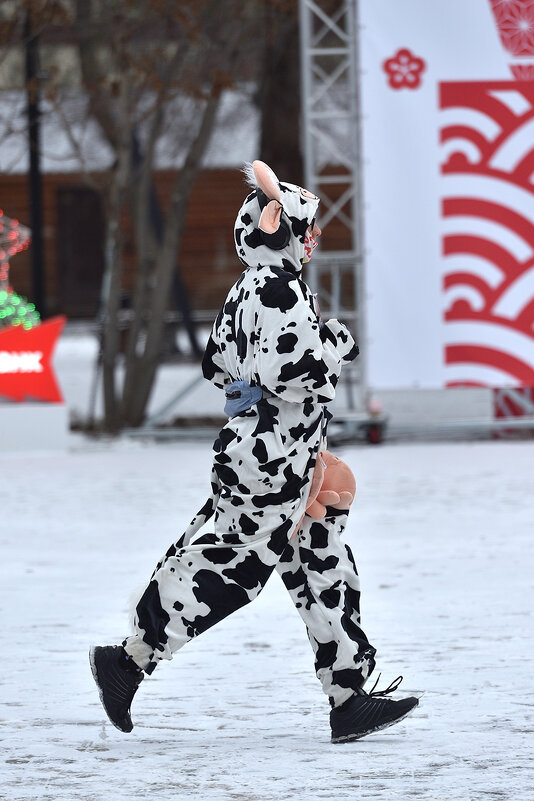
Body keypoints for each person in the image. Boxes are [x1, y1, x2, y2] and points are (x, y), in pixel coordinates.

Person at [90, 160, 418, 743]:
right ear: (281, 230)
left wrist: (270, 379)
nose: (313, 239)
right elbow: (294, 371)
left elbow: (217, 366)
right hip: (273, 457)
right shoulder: (278, 287)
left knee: (321, 561)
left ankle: (348, 696)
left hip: (271, 453)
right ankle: (129, 660)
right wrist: (336, 346)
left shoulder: (249, 287)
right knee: (230, 568)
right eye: (307, 229)